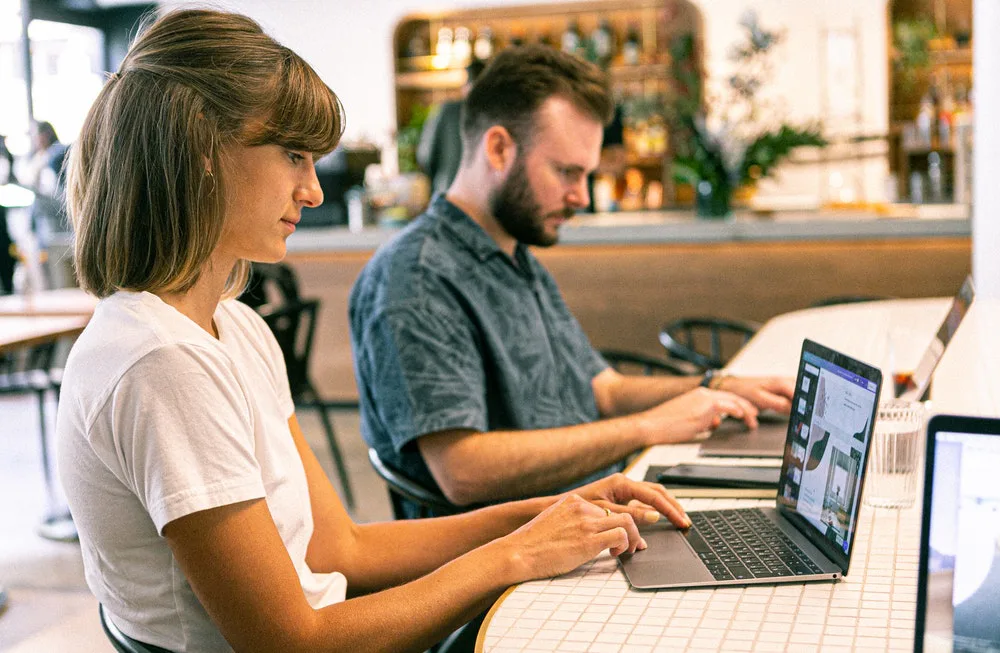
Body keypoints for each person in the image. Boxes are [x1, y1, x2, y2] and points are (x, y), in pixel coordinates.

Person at [56, 10, 692, 653]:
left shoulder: (233, 326)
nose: (311, 190)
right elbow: (291, 642)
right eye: (294, 156)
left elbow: (343, 548)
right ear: (202, 156)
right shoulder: (161, 361)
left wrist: (553, 512)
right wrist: (515, 557)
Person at [349, 46, 794, 519]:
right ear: (498, 148)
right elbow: (462, 471)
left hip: (591, 513)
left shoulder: (515, 254)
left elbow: (602, 390)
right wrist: (646, 428)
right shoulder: (416, 278)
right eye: (566, 172)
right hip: (509, 559)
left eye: (586, 175)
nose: (581, 196)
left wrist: (717, 386)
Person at [416, 59, 486, 196]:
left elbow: (425, 155)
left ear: (465, 86)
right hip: (483, 200)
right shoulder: (496, 113)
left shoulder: (447, 110)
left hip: (447, 193)